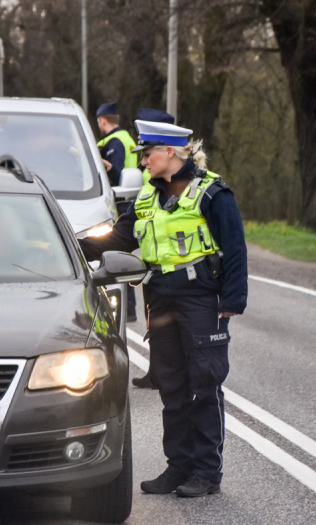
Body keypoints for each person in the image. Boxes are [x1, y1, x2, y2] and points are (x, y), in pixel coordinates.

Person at [79, 118, 248, 498]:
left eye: (147, 154)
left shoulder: (211, 193)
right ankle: (179, 467)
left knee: (204, 385)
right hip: (162, 300)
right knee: (171, 387)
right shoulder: (146, 196)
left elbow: (235, 247)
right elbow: (119, 236)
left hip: (202, 300)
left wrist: (233, 300)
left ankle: (207, 471)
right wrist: (71, 245)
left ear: (169, 152)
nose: (142, 162)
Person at [130, 108, 177, 389]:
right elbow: (133, 225)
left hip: (184, 275)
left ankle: (164, 370)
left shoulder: (189, 182)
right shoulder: (150, 182)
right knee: (155, 320)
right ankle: (157, 370)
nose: (142, 161)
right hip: (156, 269)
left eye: (147, 152)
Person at [96, 102, 137, 187]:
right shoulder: (126, 138)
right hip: (129, 190)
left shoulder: (115, 142)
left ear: (103, 121)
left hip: (117, 194)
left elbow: (115, 175)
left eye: (98, 122)